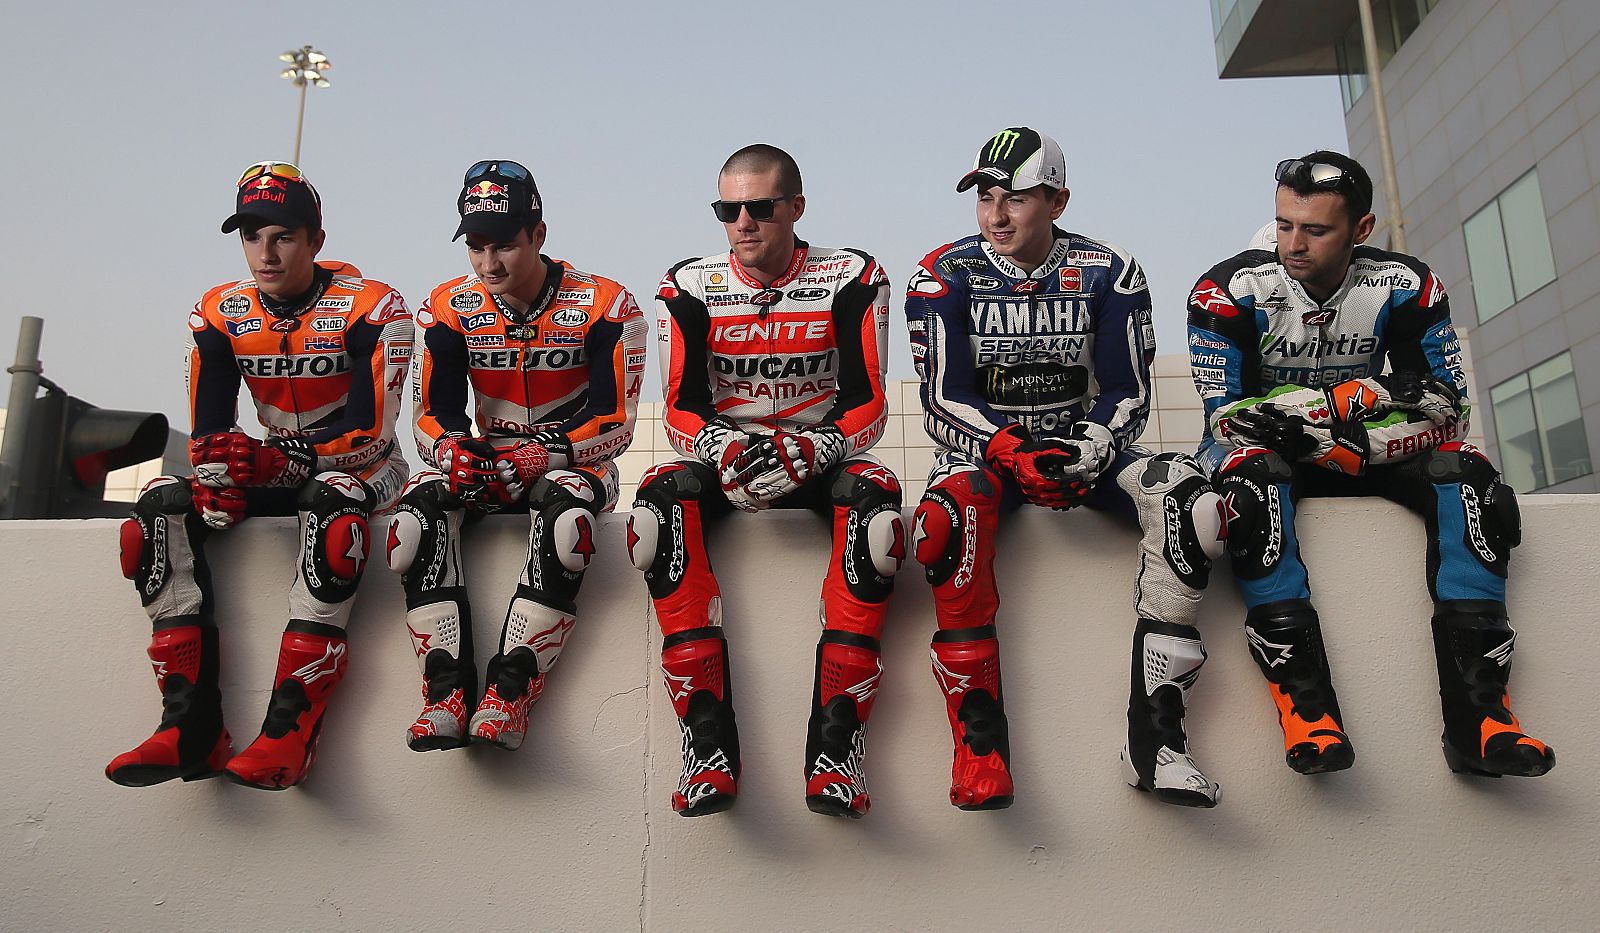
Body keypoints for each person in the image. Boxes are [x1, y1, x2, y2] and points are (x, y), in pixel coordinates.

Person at [1189, 150, 1555, 778]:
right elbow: (1229, 416)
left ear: (1361, 230)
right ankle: (1308, 712)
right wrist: (1334, 409)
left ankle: (1482, 720)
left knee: (1474, 485)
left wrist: (1366, 427)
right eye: (1283, 224)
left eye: (1316, 229)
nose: (1293, 244)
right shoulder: (1228, 289)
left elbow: (1448, 404)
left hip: (1368, 441)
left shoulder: (1409, 285)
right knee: (1250, 490)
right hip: (1276, 448)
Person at [906, 127, 1227, 810]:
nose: (995, 215)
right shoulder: (942, 274)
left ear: (1057, 200)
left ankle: (1157, 738)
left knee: (1190, 503)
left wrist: (1090, 446)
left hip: (1085, 451)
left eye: (1015, 198)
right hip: (984, 456)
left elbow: (1128, 391)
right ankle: (979, 743)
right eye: (986, 197)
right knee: (942, 522)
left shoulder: (1112, 270)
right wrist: (1011, 450)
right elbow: (943, 398)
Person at [107, 161, 413, 790]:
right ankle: (188, 728)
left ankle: (289, 732)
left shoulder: (373, 304)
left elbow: (372, 432)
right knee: (157, 507)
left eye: (282, 236)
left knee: (334, 503)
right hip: (274, 465)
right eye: (251, 237)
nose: (264, 253)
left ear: (315, 239)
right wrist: (220, 475)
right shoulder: (220, 312)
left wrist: (288, 460)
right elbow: (209, 429)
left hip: (365, 469)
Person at [627, 144, 904, 818]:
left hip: (820, 453)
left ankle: (838, 748)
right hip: (731, 458)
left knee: (881, 514)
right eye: (729, 208)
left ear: (796, 208)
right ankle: (707, 743)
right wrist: (721, 447)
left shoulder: (854, 273)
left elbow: (869, 396)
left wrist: (821, 445)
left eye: (760, 206)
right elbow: (683, 406)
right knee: (655, 509)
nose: (743, 221)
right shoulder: (688, 283)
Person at [386, 160, 645, 752]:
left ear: (539, 235)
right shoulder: (447, 306)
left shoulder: (607, 304)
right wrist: (452, 451)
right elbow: (430, 415)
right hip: (487, 460)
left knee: (567, 521)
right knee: (413, 515)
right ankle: (444, 693)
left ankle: (510, 692)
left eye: (504, 245)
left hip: (574, 465)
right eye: (475, 247)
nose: (488, 264)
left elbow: (617, 421)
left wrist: (543, 454)